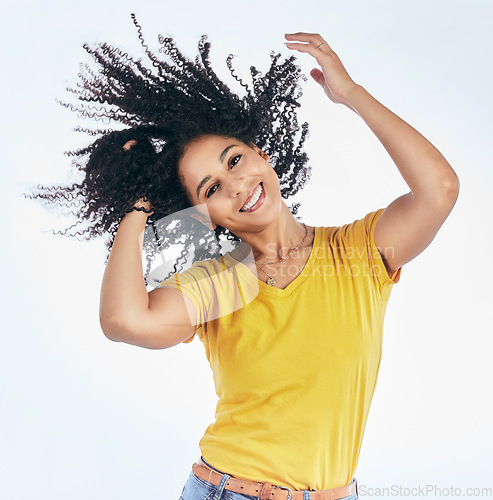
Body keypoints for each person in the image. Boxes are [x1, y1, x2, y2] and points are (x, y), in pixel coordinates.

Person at [26, 18, 460, 500]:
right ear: (203, 215)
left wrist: (352, 94)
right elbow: (123, 320)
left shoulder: (355, 253)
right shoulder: (219, 283)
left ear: (259, 151)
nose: (235, 185)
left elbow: (439, 190)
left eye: (234, 160)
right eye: (211, 188)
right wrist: (138, 198)